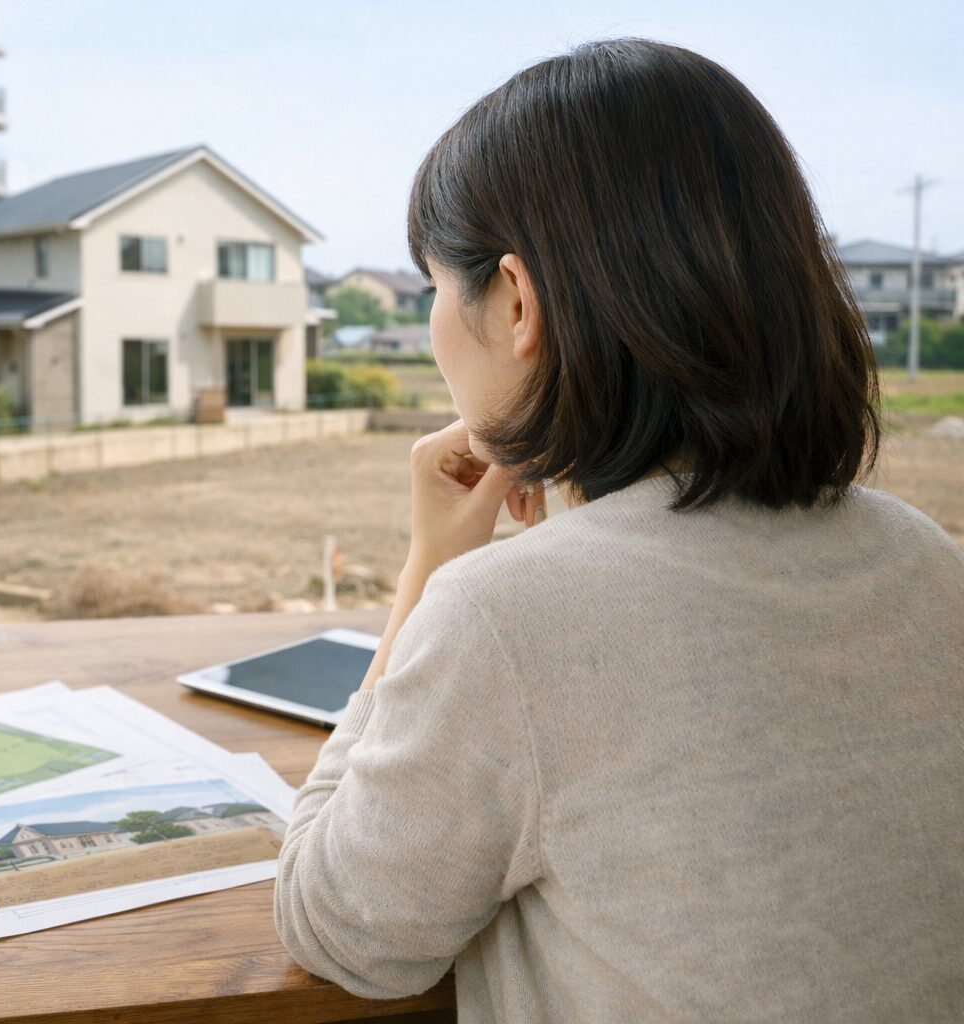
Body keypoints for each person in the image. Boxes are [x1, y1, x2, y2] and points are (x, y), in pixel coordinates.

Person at [273, 37, 964, 1023]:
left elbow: (339, 927)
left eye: (435, 283)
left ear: (516, 300)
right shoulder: (925, 559)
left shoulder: (503, 620)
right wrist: (576, 497)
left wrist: (432, 567)